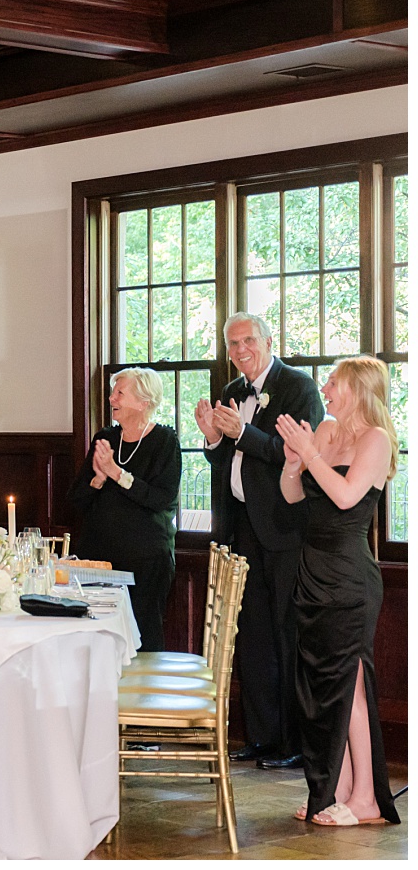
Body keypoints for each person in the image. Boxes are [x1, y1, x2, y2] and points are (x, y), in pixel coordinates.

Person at [194, 312, 323, 769]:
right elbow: (228, 461)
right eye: (232, 344)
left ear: (269, 340)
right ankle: (261, 736)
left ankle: (293, 743)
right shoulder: (232, 392)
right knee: (250, 635)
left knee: (287, 634)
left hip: (286, 529)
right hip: (243, 525)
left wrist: (242, 433)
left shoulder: (298, 387)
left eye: (248, 340)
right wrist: (214, 439)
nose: (239, 350)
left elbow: (298, 455)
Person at [277, 357, 400, 827]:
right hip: (312, 570)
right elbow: (294, 496)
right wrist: (293, 463)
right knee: (323, 688)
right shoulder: (326, 431)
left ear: (358, 389)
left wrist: (308, 454)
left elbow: (347, 496)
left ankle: (366, 797)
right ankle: (336, 790)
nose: (324, 387)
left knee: (349, 686)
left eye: (333, 381)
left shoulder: (376, 439)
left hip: (349, 576)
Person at [68, 367, 182, 651]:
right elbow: (75, 501)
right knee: (91, 638)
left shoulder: (165, 441)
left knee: (142, 639)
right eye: (112, 391)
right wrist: (98, 478)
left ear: (144, 402)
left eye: (120, 392)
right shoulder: (104, 438)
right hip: (97, 561)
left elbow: (162, 499)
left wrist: (118, 474)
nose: (111, 398)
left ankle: (142, 696)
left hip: (145, 563)